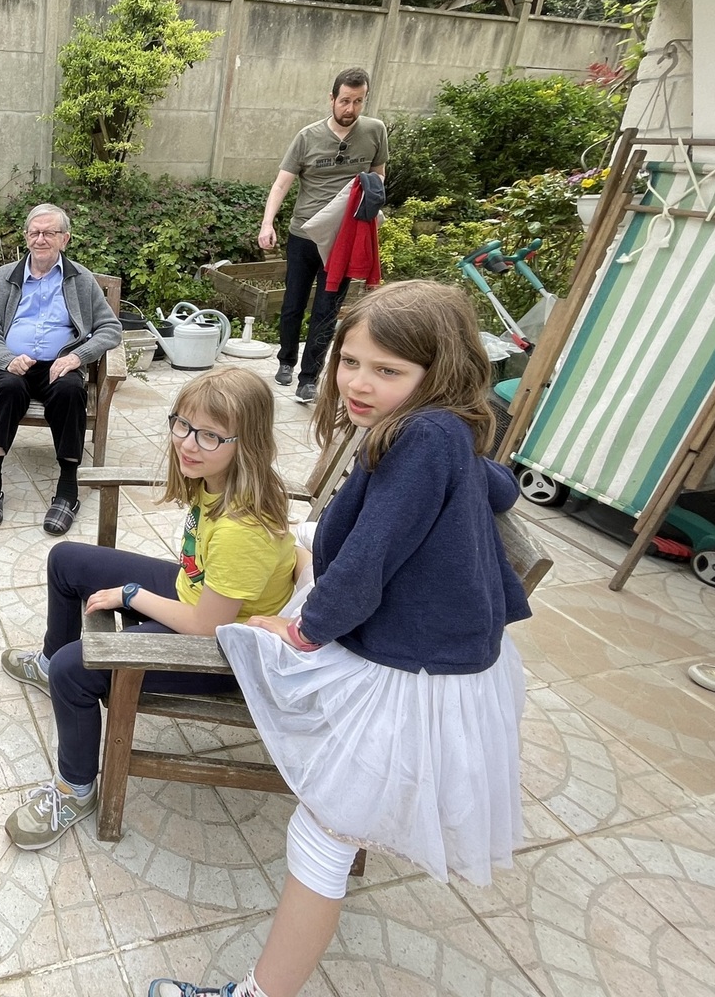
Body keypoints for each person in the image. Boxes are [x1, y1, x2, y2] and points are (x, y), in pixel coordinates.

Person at [215, 280, 532, 997]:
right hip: (442, 653)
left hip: (414, 669)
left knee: (322, 832)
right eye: (350, 361)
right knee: (328, 823)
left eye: (387, 370)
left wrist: (301, 629)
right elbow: (498, 486)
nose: (358, 383)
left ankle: (261, 993)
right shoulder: (445, 430)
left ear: (438, 373)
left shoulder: (422, 437)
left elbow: (364, 568)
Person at [0, 368, 297, 848]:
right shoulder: (219, 478)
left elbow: (206, 627)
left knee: (77, 670)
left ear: (249, 443)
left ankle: (75, 790)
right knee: (66, 560)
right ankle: (48, 662)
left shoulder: (243, 528)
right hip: (196, 596)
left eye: (210, 436)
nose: (188, 444)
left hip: (223, 652)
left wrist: (132, 595)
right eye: (183, 424)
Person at [0, 203, 123, 536]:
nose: (40, 239)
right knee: (8, 388)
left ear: (64, 239)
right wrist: (7, 359)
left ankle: (67, 490)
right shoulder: (4, 278)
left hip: (59, 365)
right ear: (26, 236)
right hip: (13, 363)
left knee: (70, 390)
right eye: (34, 232)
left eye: (49, 233)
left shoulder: (81, 279)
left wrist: (77, 357)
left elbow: (111, 329)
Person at [257, 66, 387, 404]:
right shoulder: (307, 137)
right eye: (345, 101)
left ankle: (309, 378)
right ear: (331, 98)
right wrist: (267, 224)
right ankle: (286, 359)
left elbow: (378, 178)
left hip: (344, 239)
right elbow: (281, 184)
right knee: (293, 303)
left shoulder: (375, 131)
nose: (350, 108)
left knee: (327, 310)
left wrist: (368, 203)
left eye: (358, 101)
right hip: (304, 233)